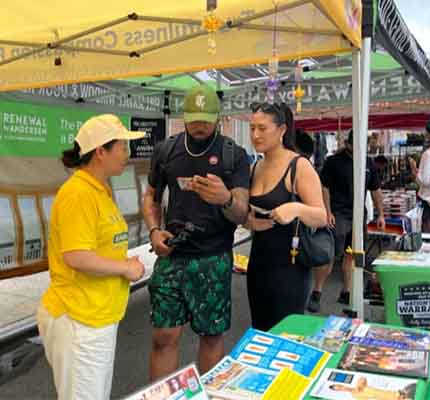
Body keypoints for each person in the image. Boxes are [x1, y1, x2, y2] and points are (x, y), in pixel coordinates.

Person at [143, 85, 250, 380]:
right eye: (194, 118)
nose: (199, 124)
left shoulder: (234, 155)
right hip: (172, 254)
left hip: (213, 256)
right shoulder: (167, 150)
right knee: (164, 335)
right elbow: (151, 196)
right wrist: (154, 231)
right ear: (184, 116)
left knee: (211, 336)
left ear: (218, 117)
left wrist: (225, 198)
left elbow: (242, 212)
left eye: (206, 118)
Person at [37, 114, 146, 400]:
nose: (127, 154)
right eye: (122, 147)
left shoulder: (98, 190)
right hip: (79, 318)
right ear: (100, 151)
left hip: (96, 314)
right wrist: (124, 268)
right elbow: (77, 256)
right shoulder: (78, 194)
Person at [245, 103, 327, 331]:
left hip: (290, 267)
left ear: (282, 130)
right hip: (258, 265)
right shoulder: (255, 167)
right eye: (252, 128)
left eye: (262, 128)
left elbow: (321, 216)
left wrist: (295, 209)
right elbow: (247, 214)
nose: (255, 135)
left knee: (287, 334)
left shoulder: (299, 166)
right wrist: (248, 221)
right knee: (260, 332)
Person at [307, 130, 386, 311]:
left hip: (359, 215)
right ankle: (317, 291)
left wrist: (381, 214)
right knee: (330, 253)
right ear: (348, 144)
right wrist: (327, 211)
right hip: (338, 213)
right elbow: (324, 187)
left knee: (353, 253)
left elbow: (376, 190)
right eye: (355, 145)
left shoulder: (367, 163)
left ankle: (346, 291)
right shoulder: (334, 162)